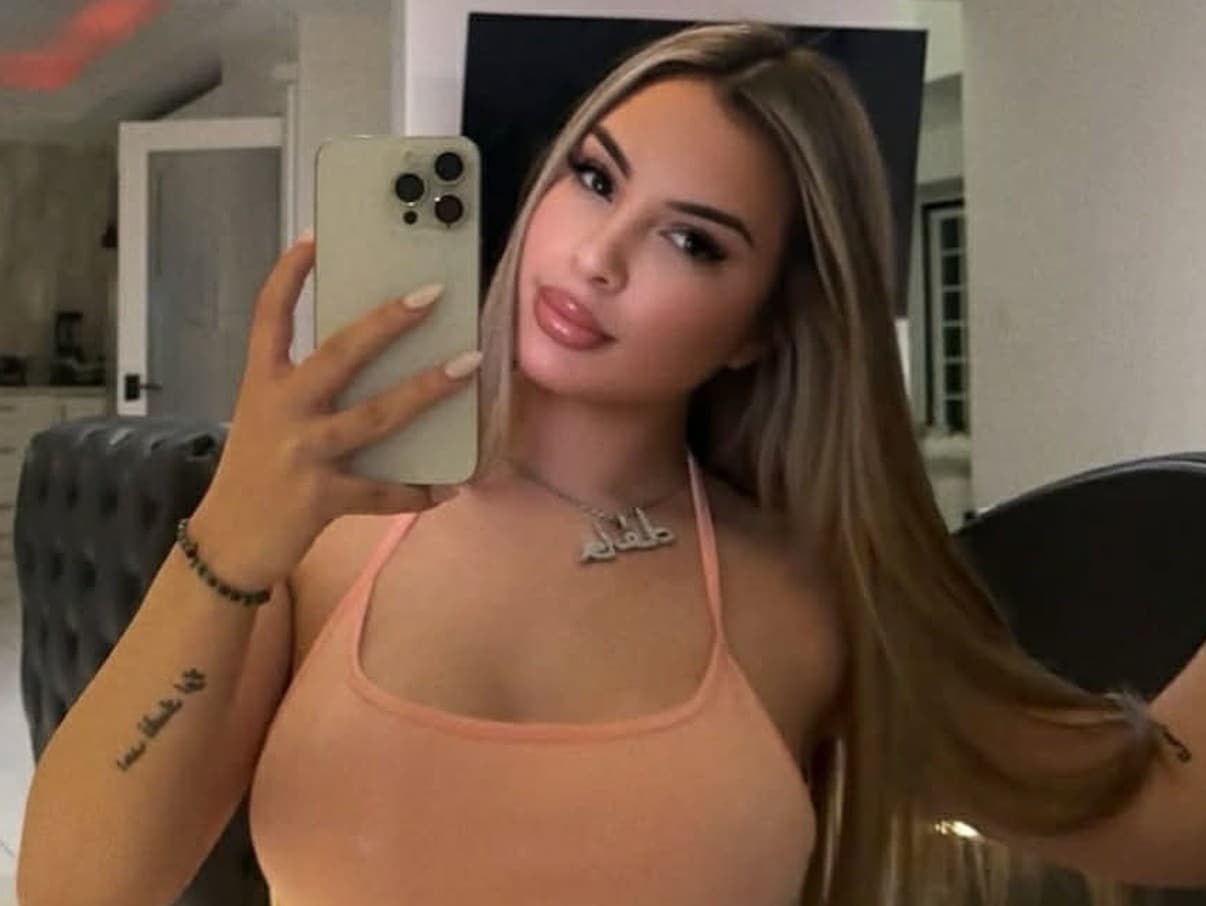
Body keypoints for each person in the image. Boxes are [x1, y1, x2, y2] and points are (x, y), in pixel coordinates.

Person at [17, 21, 1205, 906]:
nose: (599, 257)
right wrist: (229, 542)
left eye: (691, 240)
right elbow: (74, 889)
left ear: (761, 328)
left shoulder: (806, 596)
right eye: (593, 179)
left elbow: (1164, 812)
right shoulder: (325, 533)